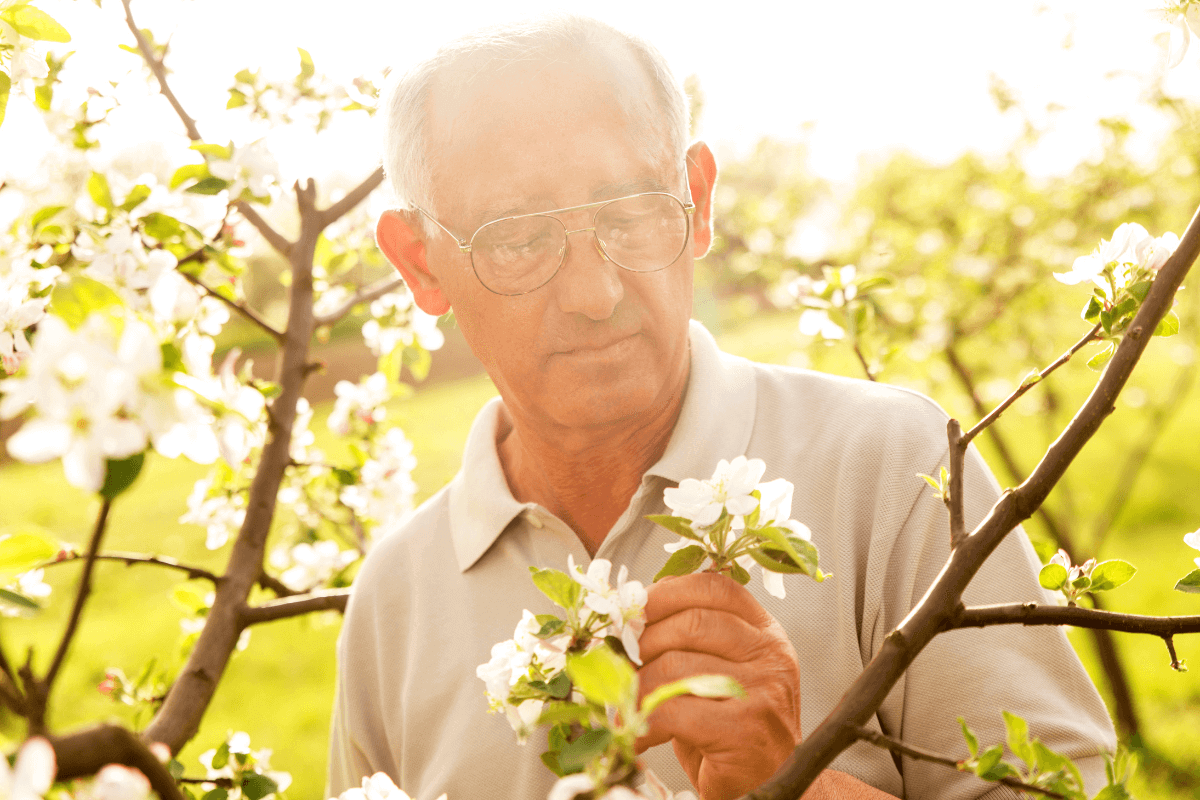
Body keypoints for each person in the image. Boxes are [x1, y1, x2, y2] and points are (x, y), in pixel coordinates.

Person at [327, 15, 1116, 800]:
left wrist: (791, 784)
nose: (595, 294)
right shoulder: (392, 601)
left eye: (631, 210)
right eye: (519, 238)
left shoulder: (891, 470)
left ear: (696, 201)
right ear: (419, 263)